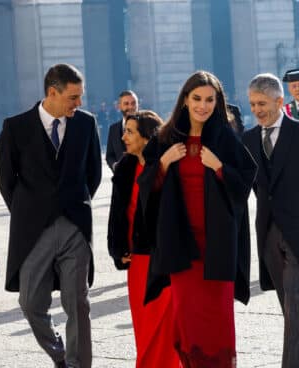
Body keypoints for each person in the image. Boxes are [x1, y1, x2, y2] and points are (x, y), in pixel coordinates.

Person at [137, 71, 257, 367]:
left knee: (218, 322)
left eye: (209, 100)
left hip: (217, 245)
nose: (203, 106)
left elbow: (244, 186)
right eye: (197, 99)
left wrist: (219, 168)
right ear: (185, 101)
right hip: (181, 245)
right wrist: (164, 164)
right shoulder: (166, 138)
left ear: (218, 103)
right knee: (189, 321)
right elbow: (145, 189)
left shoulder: (225, 138)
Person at [0, 63, 102, 368]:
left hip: (75, 227)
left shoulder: (86, 124)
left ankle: (77, 363)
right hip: (33, 230)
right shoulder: (15, 127)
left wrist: (75, 205)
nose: (78, 103)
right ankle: (59, 354)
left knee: (78, 303)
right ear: (52, 92)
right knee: (30, 304)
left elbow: (92, 174)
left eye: (80, 96)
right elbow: (7, 181)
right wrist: (29, 210)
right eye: (73, 97)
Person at [242, 73, 299, 368]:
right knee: (292, 308)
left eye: (263, 103)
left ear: (280, 101)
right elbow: (255, 186)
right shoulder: (248, 139)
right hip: (269, 235)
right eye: (253, 104)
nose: (257, 110)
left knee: (295, 304)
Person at [107, 110, 180, 368]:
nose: (123, 136)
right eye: (124, 130)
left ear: (147, 136)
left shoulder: (167, 162)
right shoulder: (125, 166)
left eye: (130, 131)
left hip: (162, 258)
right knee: (144, 325)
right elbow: (117, 212)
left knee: (163, 326)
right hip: (136, 259)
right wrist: (117, 248)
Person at [106, 90, 139, 171]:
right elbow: (110, 155)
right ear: (119, 106)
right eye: (126, 104)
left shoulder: (147, 126)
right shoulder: (113, 129)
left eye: (133, 103)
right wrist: (115, 166)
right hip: (121, 180)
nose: (130, 107)